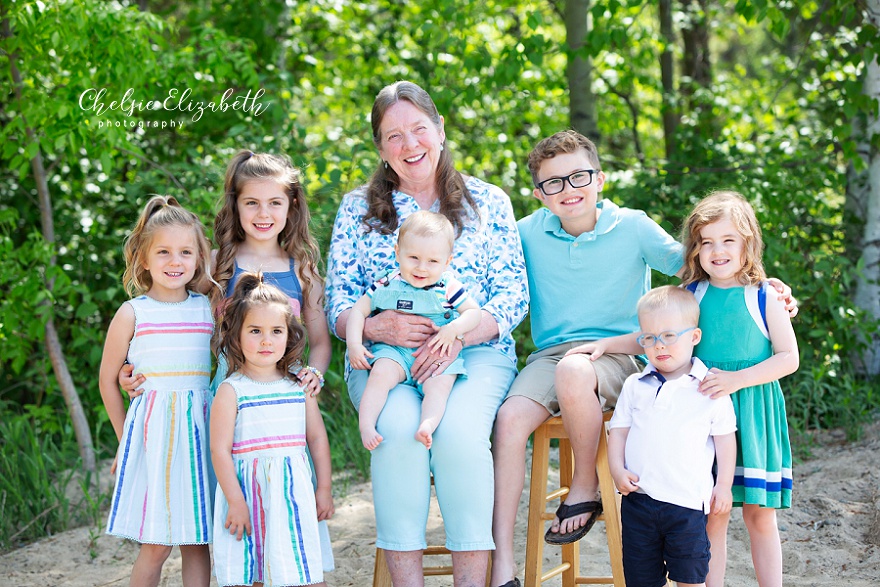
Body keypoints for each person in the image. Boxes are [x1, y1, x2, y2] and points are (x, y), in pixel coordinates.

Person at [490, 131, 797, 587]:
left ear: (600, 178)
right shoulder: (524, 234)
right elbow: (489, 278)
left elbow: (700, 265)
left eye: (579, 176)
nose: (568, 188)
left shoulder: (631, 225)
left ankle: (586, 491)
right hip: (553, 355)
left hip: (623, 354)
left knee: (577, 371)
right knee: (509, 420)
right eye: (553, 182)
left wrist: (770, 287)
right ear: (538, 193)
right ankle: (502, 568)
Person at [325, 80, 528, 586]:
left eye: (419, 129)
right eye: (394, 136)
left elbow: (512, 295)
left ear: (440, 130)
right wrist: (372, 325)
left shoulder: (488, 201)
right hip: (384, 358)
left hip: (473, 353)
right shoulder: (357, 210)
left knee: (458, 435)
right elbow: (339, 299)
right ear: (380, 148)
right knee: (396, 433)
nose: (410, 144)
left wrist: (457, 334)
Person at [121, 150, 336, 570]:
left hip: (281, 405)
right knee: (235, 502)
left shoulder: (303, 268)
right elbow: (177, 312)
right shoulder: (218, 265)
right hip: (230, 399)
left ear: (292, 205)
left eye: (275, 202)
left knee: (282, 502)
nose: (263, 213)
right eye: (251, 202)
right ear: (234, 206)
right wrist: (137, 367)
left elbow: (321, 343)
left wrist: (316, 373)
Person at [681, 191, 799, 587]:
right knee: (713, 511)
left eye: (728, 239)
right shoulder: (692, 295)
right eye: (706, 242)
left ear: (748, 242)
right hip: (706, 419)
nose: (717, 250)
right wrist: (609, 345)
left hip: (753, 415)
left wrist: (736, 379)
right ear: (695, 249)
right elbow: (657, 334)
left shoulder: (765, 295)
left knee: (759, 514)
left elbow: (788, 358)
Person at [98, 195, 214, 587]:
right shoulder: (133, 312)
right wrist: (124, 441)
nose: (175, 261)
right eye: (163, 252)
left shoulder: (207, 309)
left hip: (201, 435)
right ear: (144, 259)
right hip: (155, 440)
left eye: (185, 252)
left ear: (199, 258)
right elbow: (108, 379)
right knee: (156, 545)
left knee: (199, 540)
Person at [608, 286, 737, 587]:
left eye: (669, 336)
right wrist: (617, 470)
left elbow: (725, 440)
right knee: (641, 578)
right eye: (649, 338)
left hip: (688, 505)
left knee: (690, 578)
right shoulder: (635, 384)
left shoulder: (710, 388)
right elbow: (618, 432)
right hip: (639, 501)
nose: (659, 346)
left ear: (694, 337)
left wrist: (724, 486)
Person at [210, 272, 333, 587]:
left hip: (293, 496)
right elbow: (220, 451)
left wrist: (323, 488)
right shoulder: (232, 390)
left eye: (276, 331)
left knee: (304, 573)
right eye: (255, 331)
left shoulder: (298, 384)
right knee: (252, 573)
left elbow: (317, 438)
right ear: (236, 336)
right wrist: (235, 500)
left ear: (290, 335)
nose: (266, 340)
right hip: (247, 498)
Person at [347, 210, 482, 450]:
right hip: (395, 353)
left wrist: (453, 329)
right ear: (398, 252)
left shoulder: (448, 286)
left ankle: (427, 425)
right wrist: (354, 345)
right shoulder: (386, 282)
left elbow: (474, 313)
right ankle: (366, 425)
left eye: (433, 261)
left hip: (436, 354)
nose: (422, 268)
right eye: (413, 257)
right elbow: (358, 312)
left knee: (439, 387)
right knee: (379, 376)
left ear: (447, 261)